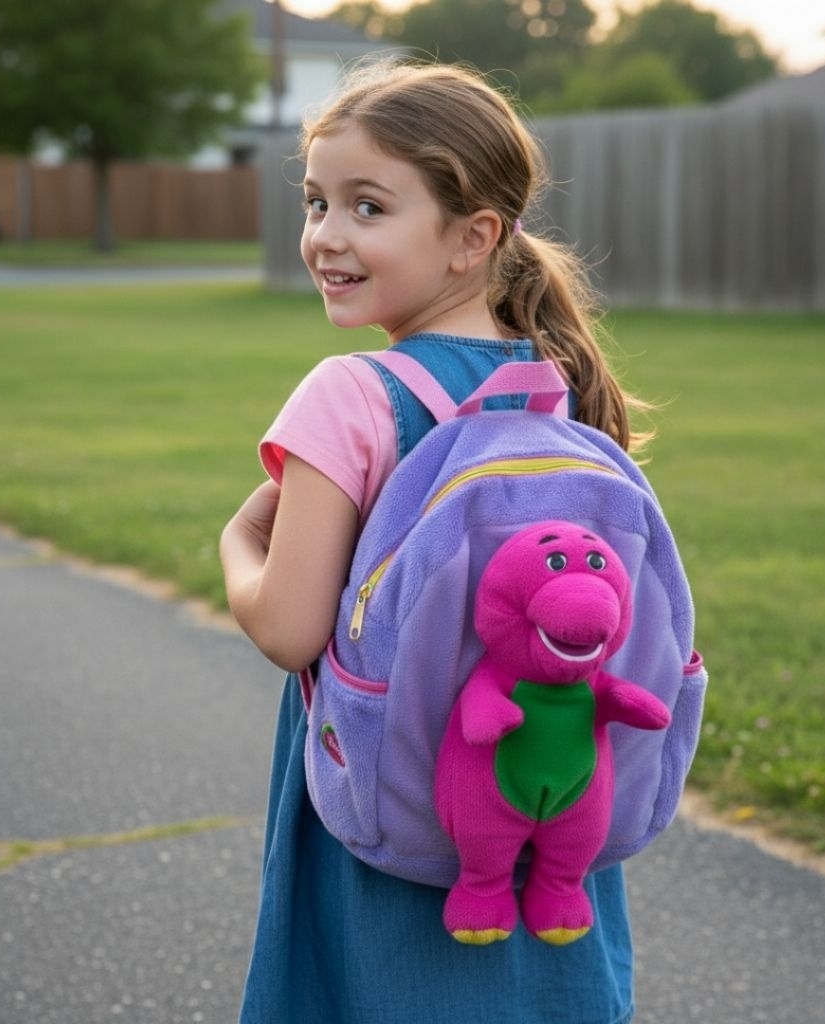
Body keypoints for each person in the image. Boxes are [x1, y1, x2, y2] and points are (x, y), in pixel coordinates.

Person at [220, 59, 652, 1024]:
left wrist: (233, 548)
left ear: (473, 238)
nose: (325, 237)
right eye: (315, 201)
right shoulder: (565, 391)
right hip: (548, 795)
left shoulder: (352, 395)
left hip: (389, 802)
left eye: (367, 207)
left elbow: (290, 630)